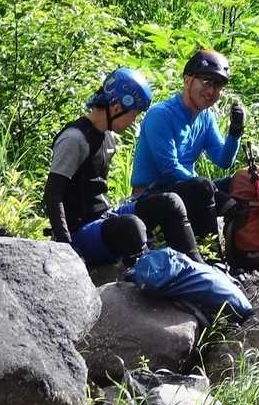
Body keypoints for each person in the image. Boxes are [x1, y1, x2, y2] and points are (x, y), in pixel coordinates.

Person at [44, 68, 201, 266]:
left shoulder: (107, 136)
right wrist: (65, 244)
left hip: (105, 217)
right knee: (131, 226)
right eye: (134, 115)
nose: (134, 121)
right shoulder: (75, 139)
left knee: (170, 202)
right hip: (80, 232)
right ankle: (146, 273)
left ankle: (197, 267)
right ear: (117, 108)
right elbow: (53, 194)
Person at [130, 48, 245, 239]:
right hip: (150, 198)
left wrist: (235, 132)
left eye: (218, 85)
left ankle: (252, 247)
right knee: (202, 187)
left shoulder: (206, 117)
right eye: (207, 82)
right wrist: (213, 191)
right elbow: (169, 168)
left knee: (243, 180)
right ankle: (211, 252)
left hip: (189, 190)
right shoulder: (161, 114)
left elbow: (223, 161)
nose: (211, 91)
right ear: (188, 80)